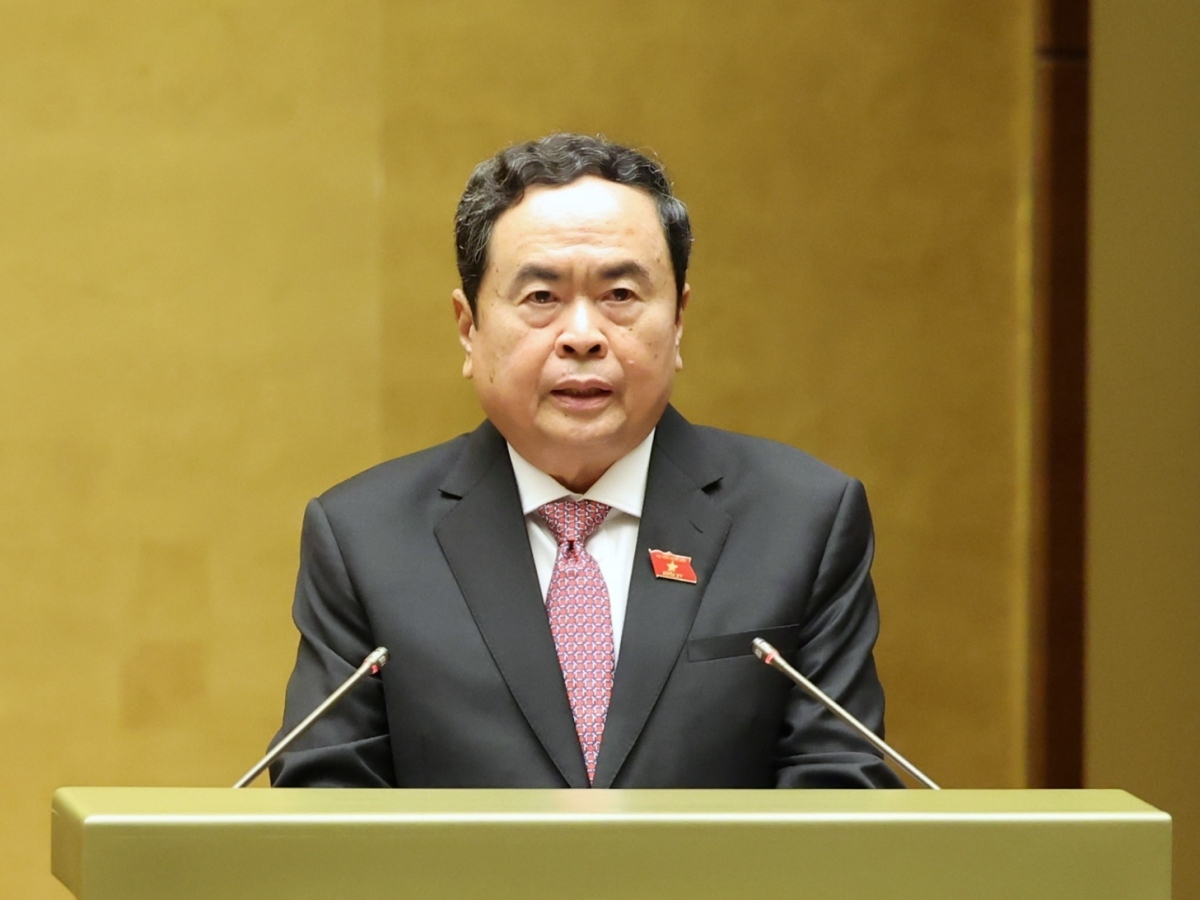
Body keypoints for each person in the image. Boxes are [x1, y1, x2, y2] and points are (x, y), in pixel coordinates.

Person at [270, 133, 903, 789]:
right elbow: (327, 802)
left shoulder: (801, 519)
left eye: (621, 294)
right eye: (541, 298)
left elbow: (837, 795)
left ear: (679, 319)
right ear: (468, 327)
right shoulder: (364, 537)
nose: (582, 336)